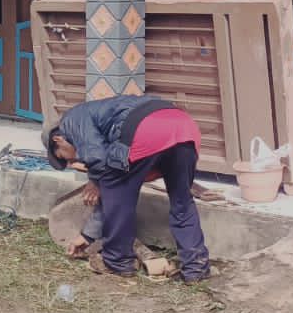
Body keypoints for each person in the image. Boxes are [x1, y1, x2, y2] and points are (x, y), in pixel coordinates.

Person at [44, 95, 212, 283]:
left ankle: (117, 262)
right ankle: (196, 267)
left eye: (66, 157)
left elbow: (99, 161)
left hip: (146, 131)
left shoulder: (71, 120)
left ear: (58, 139)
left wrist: (96, 181)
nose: (74, 161)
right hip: (184, 127)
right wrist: (88, 235)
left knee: (116, 194)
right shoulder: (99, 112)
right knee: (182, 200)